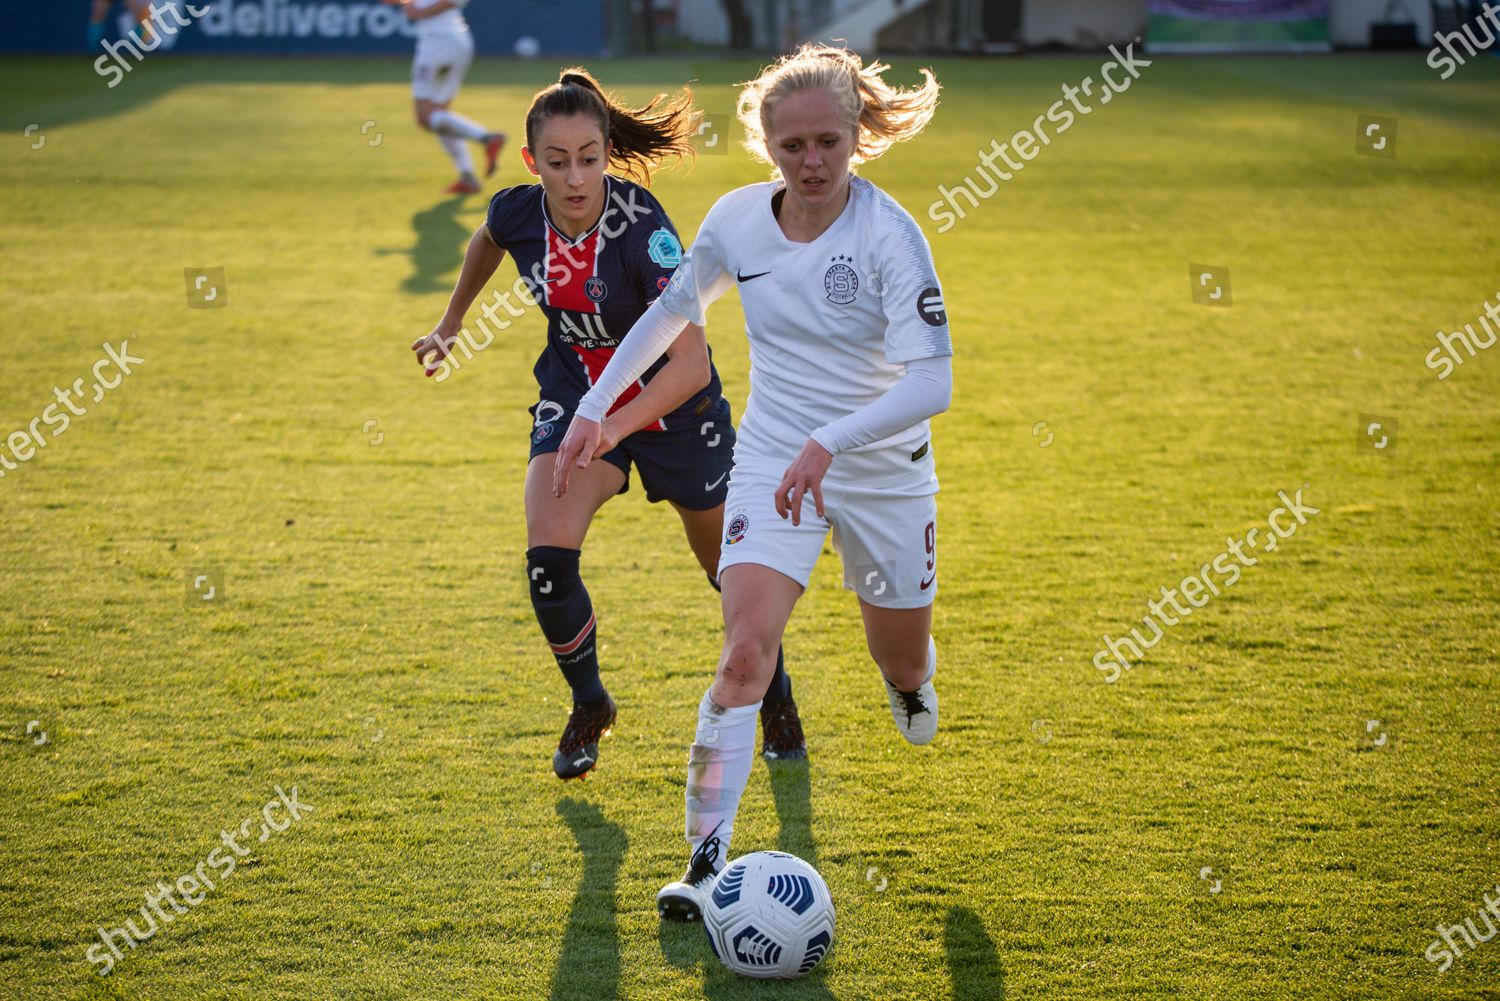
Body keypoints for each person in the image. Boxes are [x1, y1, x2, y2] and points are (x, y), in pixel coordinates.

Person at [553, 44, 951, 919]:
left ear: (857, 138)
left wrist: (832, 442)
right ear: (766, 142)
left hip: (882, 470)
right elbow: (669, 314)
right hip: (775, 460)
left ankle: (911, 679)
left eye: (828, 143)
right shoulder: (736, 222)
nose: (812, 163)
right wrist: (595, 406)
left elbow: (934, 383)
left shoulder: (890, 236)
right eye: (794, 145)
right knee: (743, 653)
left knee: (902, 654)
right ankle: (701, 862)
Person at [410, 68, 807, 780]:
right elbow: (487, 240)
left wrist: (612, 425)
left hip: (674, 413)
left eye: (589, 158)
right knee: (547, 564)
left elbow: (688, 363)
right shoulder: (519, 211)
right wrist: (450, 322)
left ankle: (775, 698)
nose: (574, 177)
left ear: (607, 152)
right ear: (532, 162)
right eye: (557, 162)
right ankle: (590, 704)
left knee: (731, 574)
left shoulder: (643, 229)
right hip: (574, 391)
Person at [384, 0, 506, 194]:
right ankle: (467, 176)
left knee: (425, 117)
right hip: (456, 41)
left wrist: (420, 11)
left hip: (438, 42)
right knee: (440, 115)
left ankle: (486, 138)